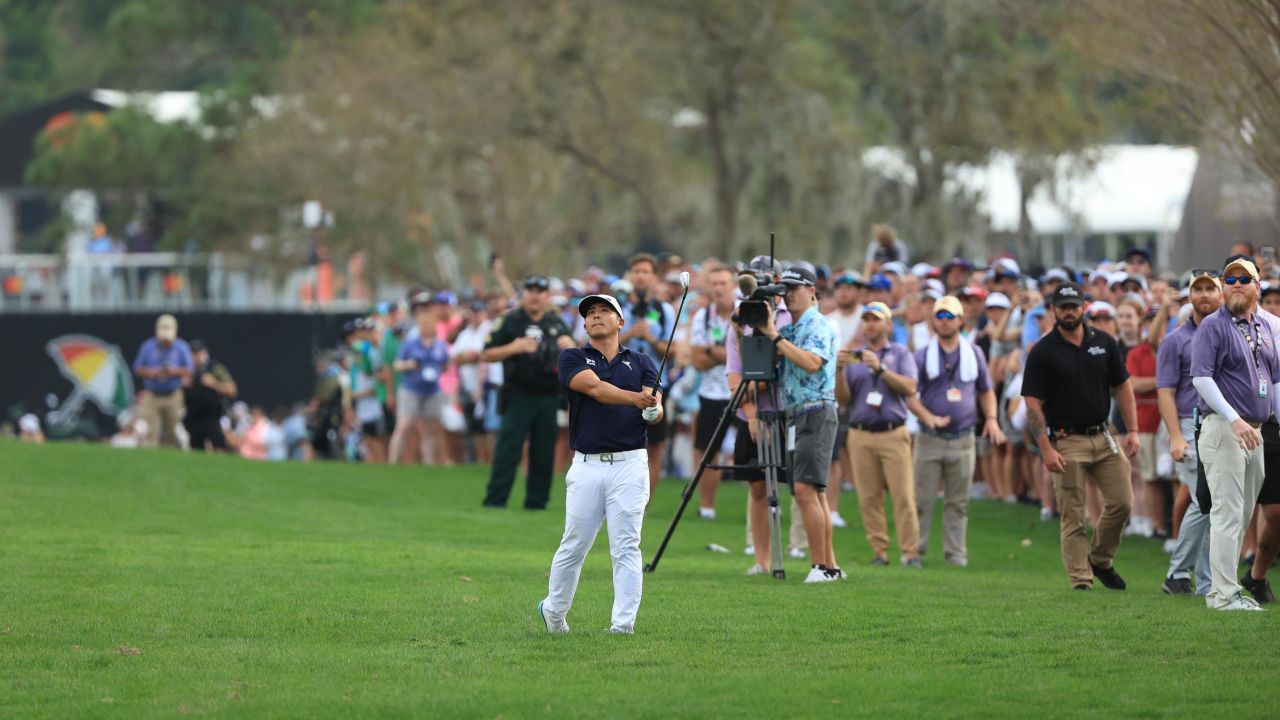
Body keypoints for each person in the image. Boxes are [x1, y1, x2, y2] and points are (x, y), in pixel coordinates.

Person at [537, 293, 662, 635]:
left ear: (620, 322)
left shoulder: (641, 362)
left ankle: (623, 625)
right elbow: (593, 389)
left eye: (604, 311)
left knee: (626, 545)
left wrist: (653, 410)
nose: (596, 316)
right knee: (575, 544)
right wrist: (637, 400)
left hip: (630, 463)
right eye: (590, 313)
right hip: (587, 464)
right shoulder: (572, 357)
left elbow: (655, 404)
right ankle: (554, 613)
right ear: (584, 324)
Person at [1022, 282, 1139, 591]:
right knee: (1073, 514)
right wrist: (1045, 448)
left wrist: (1133, 430)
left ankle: (1100, 560)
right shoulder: (1042, 352)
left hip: (1104, 435)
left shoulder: (1104, 342)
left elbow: (1123, 387)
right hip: (1066, 440)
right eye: (1063, 307)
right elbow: (1032, 405)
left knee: (1122, 503)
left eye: (1074, 306)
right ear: (1053, 311)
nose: (1069, 312)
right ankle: (1081, 580)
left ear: (1084, 307)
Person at [1191, 256, 1279, 611]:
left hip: (1255, 430)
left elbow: (1275, 383)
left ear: (1258, 286)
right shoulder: (1213, 325)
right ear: (1223, 288)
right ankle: (1223, 595)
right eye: (1230, 280)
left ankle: (1223, 591)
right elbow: (1201, 377)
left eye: (1245, 278)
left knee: (1241, 516)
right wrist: (1233, 418)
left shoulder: (1266, 327)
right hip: (1225, 427)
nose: (1236, 284)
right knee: (1228, 512)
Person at [758, 267, 844, 583]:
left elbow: (811, 362)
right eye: (784, 289)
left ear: (812, 291)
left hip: (816, 411)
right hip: (797, 415)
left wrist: (774, 335)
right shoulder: (791, 328)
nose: (788, 294)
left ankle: (821, 566)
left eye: (795, 288)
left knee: (807, 490)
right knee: (812, 492)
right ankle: (831, 566)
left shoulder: (817, 324)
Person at [908, 296, 1006, 567]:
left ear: (961, 320)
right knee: (922, 500)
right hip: (930, 437)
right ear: (933, 320)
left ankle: (955, 555)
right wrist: (928, 417)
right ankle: (915, 551)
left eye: (950, 316)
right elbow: (909, 393)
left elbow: (986, 390)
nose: (944, 321)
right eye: (940, 316)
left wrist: (992, 419)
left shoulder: (973, 353)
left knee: (958, 502)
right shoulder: (922, 354)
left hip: (963, 438)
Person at [837, 301, 922, 568]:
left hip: (892, 433)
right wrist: (839, 371)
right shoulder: (855, 356)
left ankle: (910, 553)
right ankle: (880, 552)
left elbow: (910, 387)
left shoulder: (900, 353)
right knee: (869, 497)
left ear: (887, 324)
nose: (870, 324)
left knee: (903, 496)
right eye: (867, 319)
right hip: (860, 434)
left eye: (876, 319)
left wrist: (881, 369)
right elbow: (843, 399)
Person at [482, 275, 575, 509]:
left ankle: (537, 502)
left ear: (547, 295)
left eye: (540, 290)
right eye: (530, 290)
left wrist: (570, 345)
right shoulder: (511, 321)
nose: (535, 295)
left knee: (544, 452)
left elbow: (575, 352)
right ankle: (495, 499)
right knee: (508, 449)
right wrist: (513, 347)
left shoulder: (556, 322)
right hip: (518, 394)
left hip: (548, 396)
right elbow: (486, 354)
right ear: (523, 294)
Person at [1157, 270, 1221, 596]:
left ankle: (1191, 578)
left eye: (1212, 288)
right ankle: (1187, 575)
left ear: (1221, 295)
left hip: (1220, 422)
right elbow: (1165, 391)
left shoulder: (1230, 335)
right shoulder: (1175, 340)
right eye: (1199, 289)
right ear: (1190, 297)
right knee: (1206, 501)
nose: (1205, 294)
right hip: (1187, 422)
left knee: (1209, 504)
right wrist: (1174, 436)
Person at [619, 254, 677, 497]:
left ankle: (644, 503)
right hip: (622, 386)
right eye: (636, 271)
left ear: (654, 277)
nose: (641, 276)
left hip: (654, 387)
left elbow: (673, 350)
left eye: (646, 271)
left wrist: (651, 339)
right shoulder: (617, 307)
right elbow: (600, 346)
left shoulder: (663, 310)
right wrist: (630, 334)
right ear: (631, 276)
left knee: (654, 447)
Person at [689, 264, 736, 519]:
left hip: (740, 391)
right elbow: (696, 360)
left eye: (723, 283)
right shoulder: (703, 316)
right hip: (711, 392)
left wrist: (712, 351)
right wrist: (728, 355)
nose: (718, 288)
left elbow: (747, 358)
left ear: (733, 286)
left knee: (756, 448)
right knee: (707, 450)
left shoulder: (744, 313)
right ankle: (707, 506)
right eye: (714, 284)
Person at [391, 293, 451, 465]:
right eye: (423, 324)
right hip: (411, 389)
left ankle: (429, 464)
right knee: (404, 426)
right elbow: (397, 364)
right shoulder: (410, 343)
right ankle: (393, 462)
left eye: (429, 323)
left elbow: (446, 364)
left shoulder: (439, 345)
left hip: (431, 390)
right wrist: (410, 364)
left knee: (429, 430)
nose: (426, 327)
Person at [132, 314, 194, 449]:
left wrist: (174, 371)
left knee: (171, 432)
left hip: (173, 394)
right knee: (150, 430)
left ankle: (169, 460)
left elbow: (189, 370)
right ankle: (149, 459)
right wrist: (152, 372)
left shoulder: (181, 347)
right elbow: (138, 368)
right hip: (152, 394)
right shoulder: (148, 346)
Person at [182, 339, 237, 452]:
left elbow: (232, 390)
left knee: (219, 447)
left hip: (212, 416)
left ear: (204, 352)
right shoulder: (186, 370)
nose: (194, 356)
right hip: (193, 415)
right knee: (196, 449)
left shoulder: (214, 367)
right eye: (192, 353)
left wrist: (214, 383)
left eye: (197, 353)